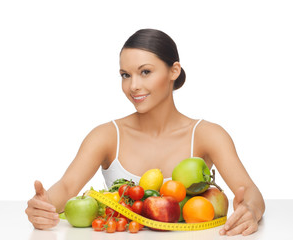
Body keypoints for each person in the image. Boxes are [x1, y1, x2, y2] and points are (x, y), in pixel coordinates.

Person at [25, 28, 265, 236]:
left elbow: (250, 191)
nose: (133, 86)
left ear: (174, 71)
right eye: (125, 75)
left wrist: (251, 211)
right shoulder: (106, 136)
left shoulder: (208, 135)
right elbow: (67, 187)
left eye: (145, 72)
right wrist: (43, 206)